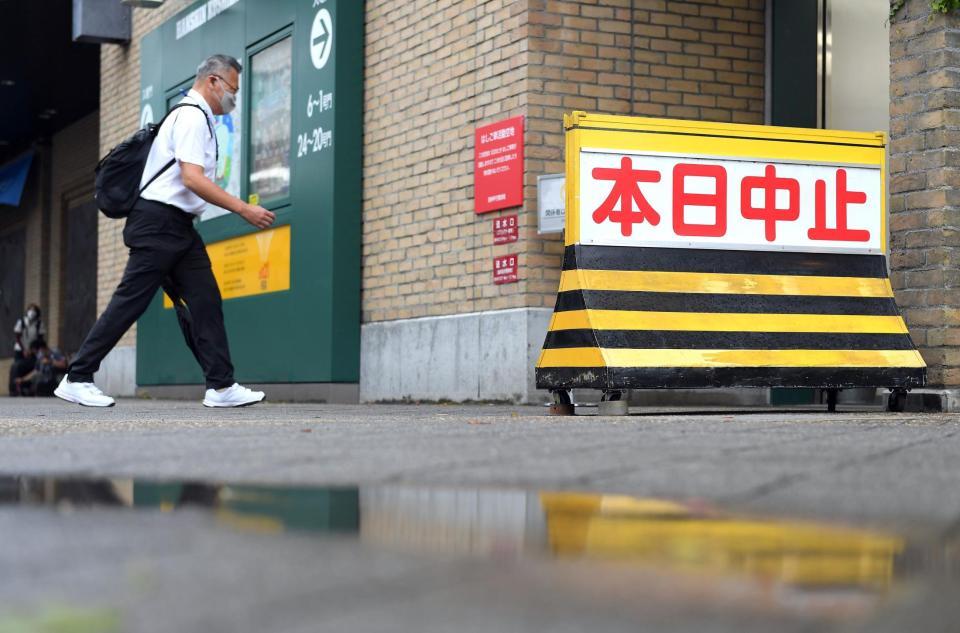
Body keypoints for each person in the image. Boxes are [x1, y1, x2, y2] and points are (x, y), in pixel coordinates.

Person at [55, 54, 276, 408]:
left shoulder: (197, 116)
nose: (234, 97)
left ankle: (221, 386)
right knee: (130, 301)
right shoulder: (191, 116)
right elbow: (192, 177)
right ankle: (77, 376)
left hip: (177, 227)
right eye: (232, 88)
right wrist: (243, 208)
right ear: (213, 82)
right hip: (158, 223)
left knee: (205, 300)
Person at [8, 304, 45, 395]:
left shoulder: (39, 324)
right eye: (30, 309)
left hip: (32, 351)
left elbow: (40, 338)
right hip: (20, 350)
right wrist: (24, 349)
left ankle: (27, 389)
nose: (31, 312)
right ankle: (15, 389)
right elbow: (17, 337)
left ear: (37, 312)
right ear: (27, 311)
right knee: (17, 367)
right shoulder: (21, 321)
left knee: (30, 368)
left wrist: (33, 350)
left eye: (34, 310)